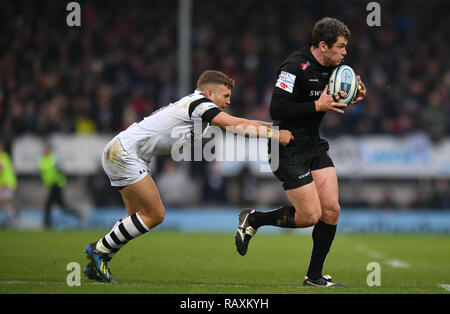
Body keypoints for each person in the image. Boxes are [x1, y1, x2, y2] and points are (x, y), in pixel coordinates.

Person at [83, 70, 294, 283]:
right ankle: (99, 250)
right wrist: (275, 135)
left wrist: (273, 126)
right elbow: (235, 126)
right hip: (125, 154)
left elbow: (240, 121)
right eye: (226, 96)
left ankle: (97, 263)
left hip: (123, 151)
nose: (229, 101)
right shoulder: (200, 104)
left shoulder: (199, 107)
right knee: (155, 214)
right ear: (210, 93)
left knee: (136, 218)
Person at [234, 17, 366, 287]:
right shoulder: (294, 67)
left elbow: (332, 97)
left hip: (313, 144)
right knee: (309, 216)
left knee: (331, 210)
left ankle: (314, 277)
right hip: (284, 146)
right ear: (322, 45)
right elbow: (277, 110)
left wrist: (353, 94)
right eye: (340, 47)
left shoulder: (335, 67)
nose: (344, 52)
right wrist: (316, 107)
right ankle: (255, 218)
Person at [39, 143, 80, 228]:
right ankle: (77, 214)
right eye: (45, 149)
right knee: (62, 206)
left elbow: (60, 171)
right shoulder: (42, 160)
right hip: (51, 186)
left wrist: (57, 181)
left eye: (47, 149)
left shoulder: (54, 159)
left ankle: (46, 224)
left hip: (57, 185)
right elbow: (44, 175)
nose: (45, 151)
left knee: (48, 205)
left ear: (50, 150)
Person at [0, 140, 19, 228]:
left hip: (5, 184)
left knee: (5, 203)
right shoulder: (5, 156)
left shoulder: (2, 158)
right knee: (6, 203)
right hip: (8, 183)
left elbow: (1, 170)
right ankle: (13, 220)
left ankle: (13, 221)